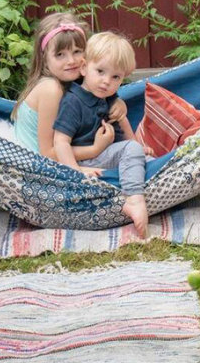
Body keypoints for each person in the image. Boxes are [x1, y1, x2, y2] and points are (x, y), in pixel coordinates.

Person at [53, 31, 148, 238]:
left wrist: (135, 144)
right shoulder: (73, 102)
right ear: (84, 68)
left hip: (105, 154)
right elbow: (60, 141)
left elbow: (121, 127)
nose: (107, 81)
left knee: (141, 154)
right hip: (88, 159)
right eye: (101, 71)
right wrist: (75, 172)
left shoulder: (106, 96)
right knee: (132, 150)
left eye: (116, 77)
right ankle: (133, 199)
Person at [12, 12, 105, 175]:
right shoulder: (51, 89)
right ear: (44, 58)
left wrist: (117, 103)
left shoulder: (71, 83)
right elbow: (47, 153)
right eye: (60, 54)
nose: (71, 61)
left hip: (57, 160)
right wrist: (95, 149)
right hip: (38, 170)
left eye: (77, 51)